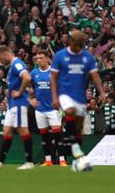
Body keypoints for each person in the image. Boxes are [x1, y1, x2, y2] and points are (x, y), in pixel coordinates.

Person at [50, 30, 106, 168]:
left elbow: (95, 76)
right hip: (64, 93)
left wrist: (101, 92)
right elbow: (53, 78)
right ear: (70, 42)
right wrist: (55, 97)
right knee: (70, 110)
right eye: (76, 45)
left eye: (81, 45)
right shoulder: (60, 56)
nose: (78, 48)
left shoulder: (87, 57)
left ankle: (77, 159)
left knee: (78, 127)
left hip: (80, 95)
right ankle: (75, 150)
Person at [0, 45, 34, 170]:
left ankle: (29, 162)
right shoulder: (12, 66)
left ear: (4, 54)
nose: (0, 62)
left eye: (0, 59)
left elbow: (27, 77)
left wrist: (19, 92)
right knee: (6, 131)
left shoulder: (16, 64)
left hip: (19, 104)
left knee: (23, 131)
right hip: (12, 105)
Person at [30, 50, 67, 167]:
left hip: (53, 109)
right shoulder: (34, 73)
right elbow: (26, 87)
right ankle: (48, 160)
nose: (39, 60)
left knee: (57, 134)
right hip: (40, 109)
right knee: (44, 136)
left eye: (41, 58)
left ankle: (62, 160)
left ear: (47, 59)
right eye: (37, 58)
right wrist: (30, 100)